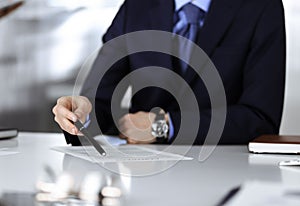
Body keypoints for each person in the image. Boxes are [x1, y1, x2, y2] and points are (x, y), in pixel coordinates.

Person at [52, 0, 286, 146]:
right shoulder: (136, 7)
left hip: (228, 168)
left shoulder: (262, 6)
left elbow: (260, 117)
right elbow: (99, 102)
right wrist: (79, 116)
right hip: (145, 172)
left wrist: (164, 125)